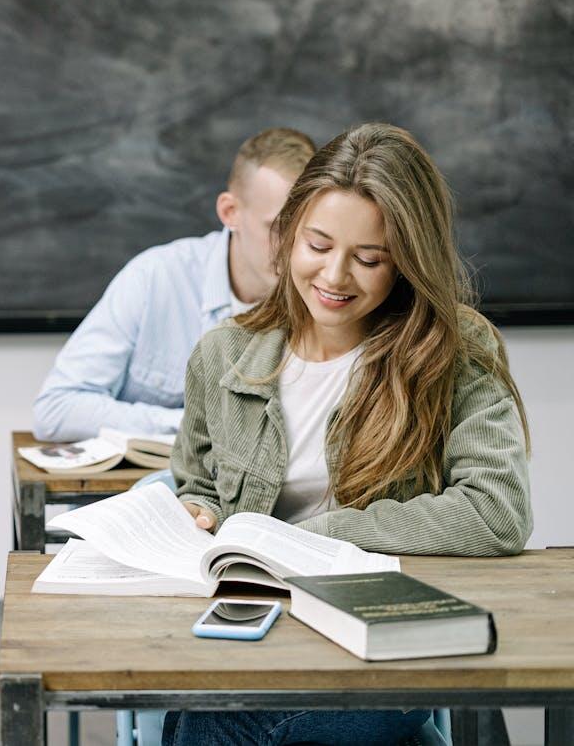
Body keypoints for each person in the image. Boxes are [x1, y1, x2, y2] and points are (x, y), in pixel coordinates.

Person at [167, 123, 532, 745]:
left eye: (369, 259)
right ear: (287, 236)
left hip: (386, 640)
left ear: (408, 262)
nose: (335, 276)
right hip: (261, 634)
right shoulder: (223, 355)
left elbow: (496, 511)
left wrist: (314, 540)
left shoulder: (455, 350)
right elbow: (198, 482)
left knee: (211, 719)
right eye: (317, 244)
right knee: (212, 703)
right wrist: (194, 510)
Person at [33, 127, 316, 442]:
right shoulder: (155, 277)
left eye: (310, 234)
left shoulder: (324, 298)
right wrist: (193, 426)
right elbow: (56, 409)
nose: (294, 250)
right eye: (279, 228)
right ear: (230, 212)